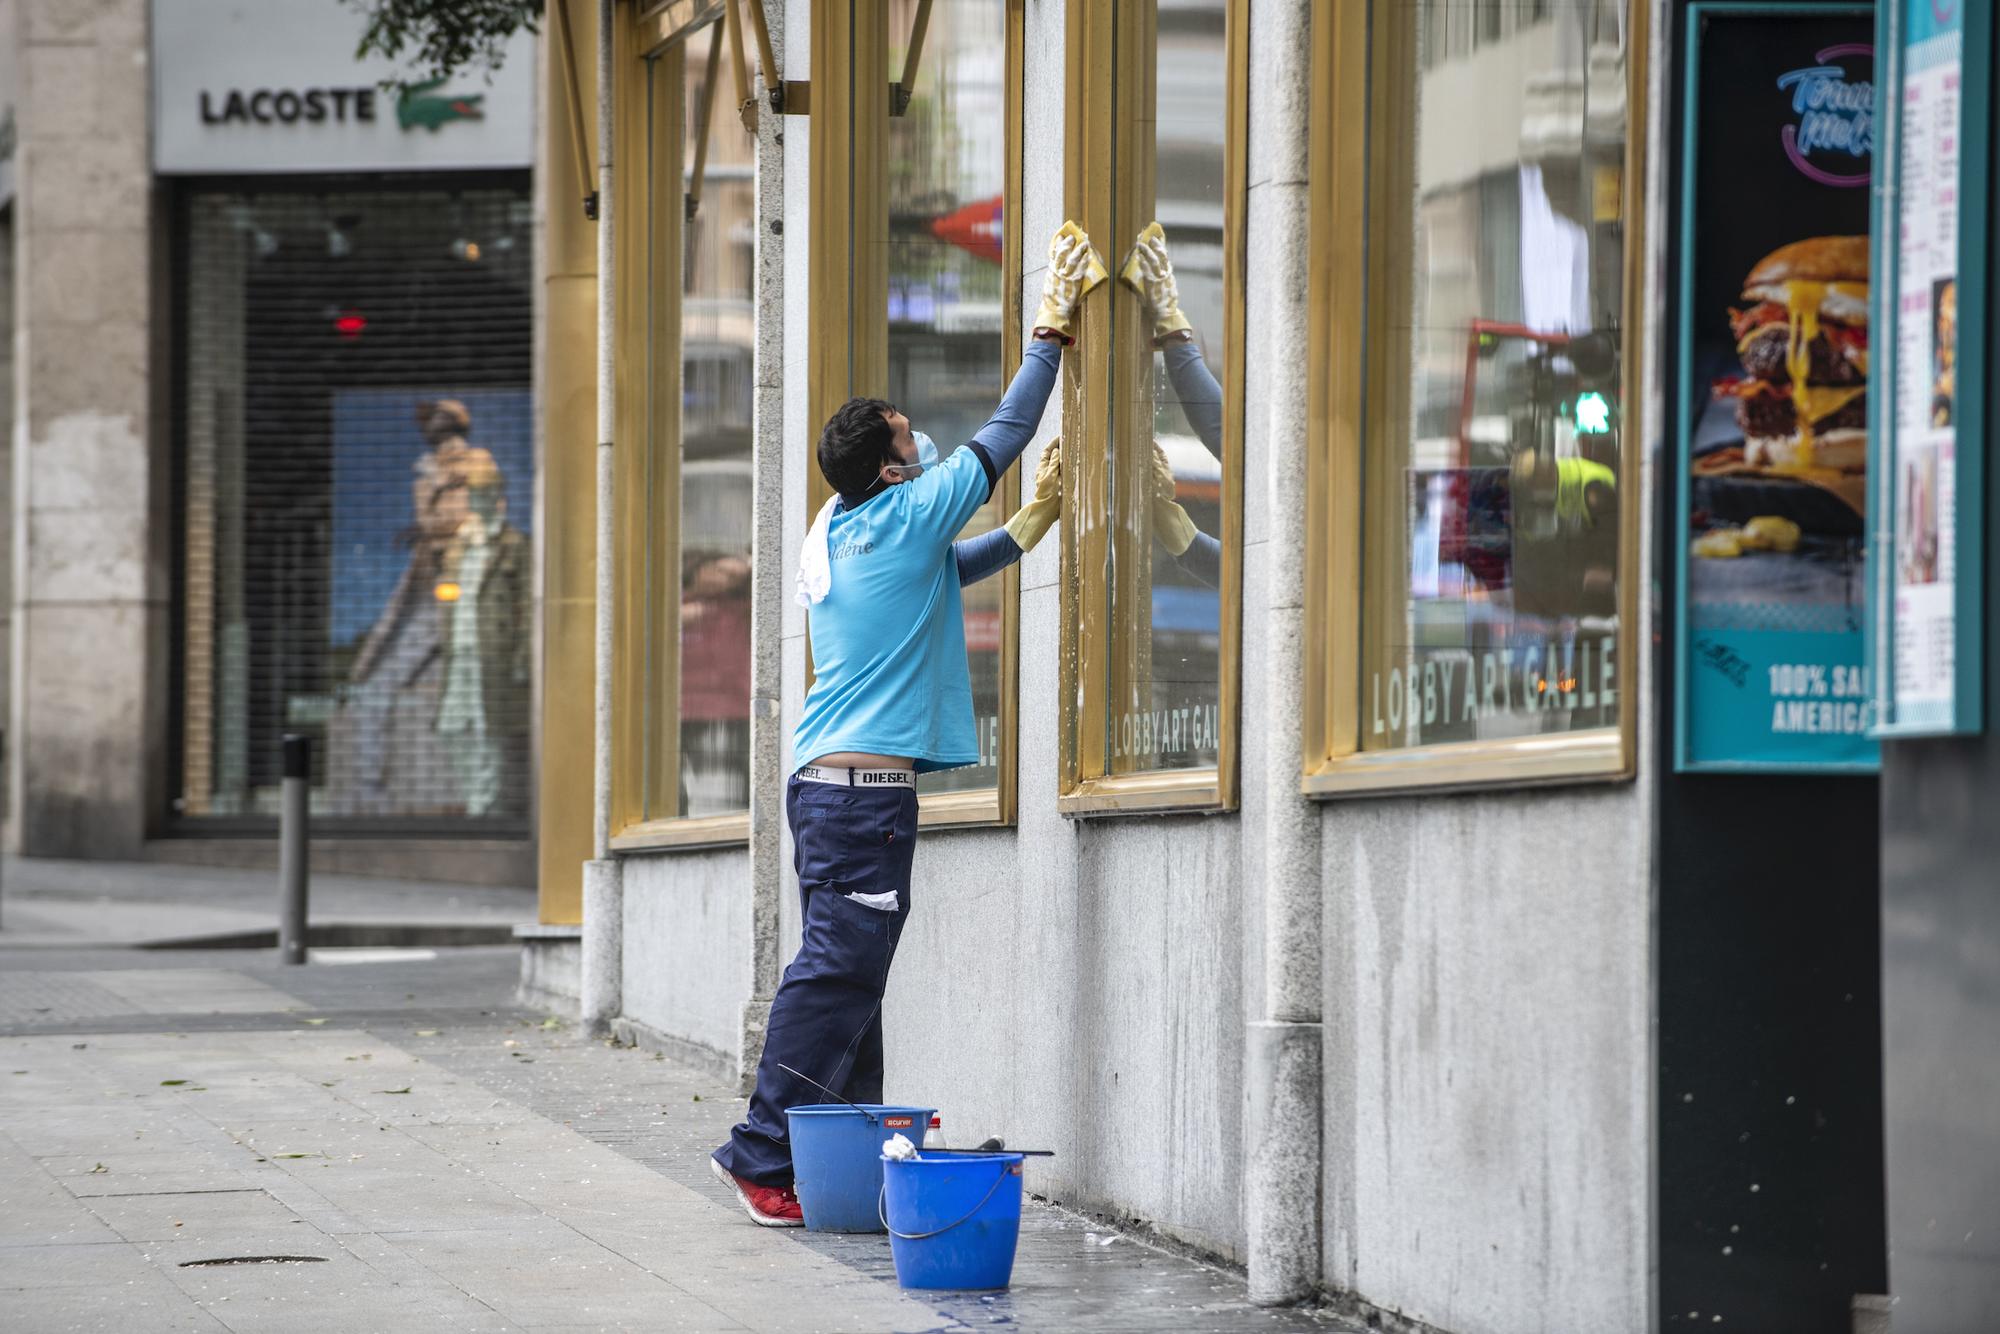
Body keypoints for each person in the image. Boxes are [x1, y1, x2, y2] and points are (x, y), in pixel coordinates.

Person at [709, 222, 1105, 1226]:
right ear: (892, 470)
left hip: (826, 790)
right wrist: (1050, 332)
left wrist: (1031, 524)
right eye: (906, 435)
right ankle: (760, 1154)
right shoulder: (901, 510)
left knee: (854, 985)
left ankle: (836, 1165)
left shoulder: (844, 527)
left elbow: (949, 570)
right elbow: (1004, 433)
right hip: (859, 800)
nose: (921, 440)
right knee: (834, 977)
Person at [434, 449, 530, 818]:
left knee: (491, 730)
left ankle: (485, 806)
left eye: (485, 493)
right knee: (452, 727)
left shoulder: (513, 544)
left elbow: (528, 607)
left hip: (494, 652)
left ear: (497, 496)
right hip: (459, 650)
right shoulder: (459, 545)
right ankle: (477, 795)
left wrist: (522, 657)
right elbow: (447, 595)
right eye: (474, 493)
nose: (478, 500)